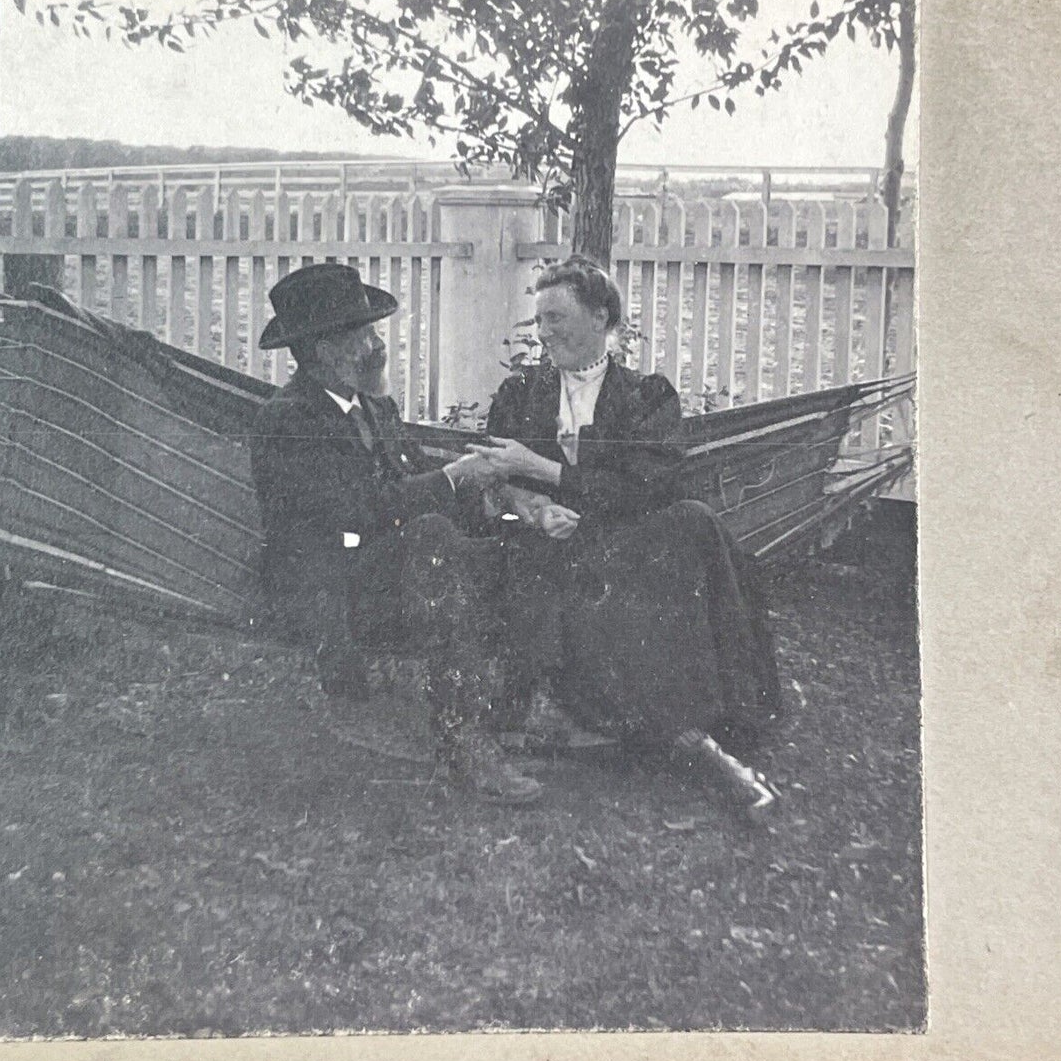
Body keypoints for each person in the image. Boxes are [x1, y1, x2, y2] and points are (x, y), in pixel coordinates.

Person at [476, 254, 783, 819]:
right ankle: (693, 744)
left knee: (690, 522)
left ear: (601, 318)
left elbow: (646, 488)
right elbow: (496, 478)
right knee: (558, 569)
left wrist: (547, 472)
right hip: (547, 548)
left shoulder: (645, 397)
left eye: (558, 319)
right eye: (539, 321)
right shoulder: (521, 392)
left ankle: (706, 719)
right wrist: (535, 507)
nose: (545, 334)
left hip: (626, 542)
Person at [248, 261, 541, 806]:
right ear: (321, 352)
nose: (377, 346)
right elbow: (360, 510)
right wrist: (453, 479)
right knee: (431, 536)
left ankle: (504, 719)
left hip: (388, 574)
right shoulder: (288, 421)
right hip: (324, 592)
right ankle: (465, 745)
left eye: (375, 330)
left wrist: (498, 501)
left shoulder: (375, 407)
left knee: (511, 543)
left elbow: (405, 485)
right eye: (362, 335)